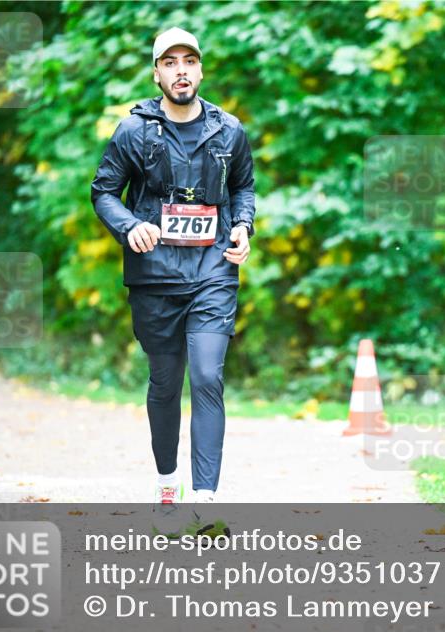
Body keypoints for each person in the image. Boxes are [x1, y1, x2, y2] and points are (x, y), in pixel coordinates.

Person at [91, 28, 255, 532]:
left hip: (212, 271)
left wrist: (244, 226)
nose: (181, 70)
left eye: (190, 61)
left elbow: (244, 186)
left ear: (201, 70)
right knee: (165, 385)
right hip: (156, 276)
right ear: (156, 73)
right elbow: (103, 193)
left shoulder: (229, 131)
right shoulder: (134, 132)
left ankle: (205, 502)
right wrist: (130, 225)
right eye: (170, 62)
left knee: (207, 377)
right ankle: (168, 483)